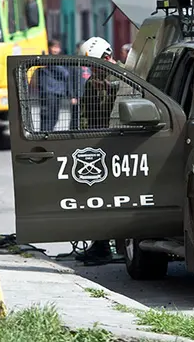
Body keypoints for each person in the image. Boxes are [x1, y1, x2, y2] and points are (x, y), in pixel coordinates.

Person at [74, 36, 122, 266]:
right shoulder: (93, 82)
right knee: (97, 198)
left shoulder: (124, 78)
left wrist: (108, 91)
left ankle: (115, 246)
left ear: (106, 57)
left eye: (94, 64)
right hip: (97, 147)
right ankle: (102, 245)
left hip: (120, 145)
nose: (92, 69)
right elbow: (86, 117)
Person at [33, 39, 72, 132]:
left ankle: (47, 134)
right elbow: (65, 73)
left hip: (56, 93)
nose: (56, 50)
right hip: (48, 92)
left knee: (54, 117)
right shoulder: (48, 59)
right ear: (49, 48)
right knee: (47, 118)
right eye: (54, 47)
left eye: (58, 47)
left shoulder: (58, 60)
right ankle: (45, 136)